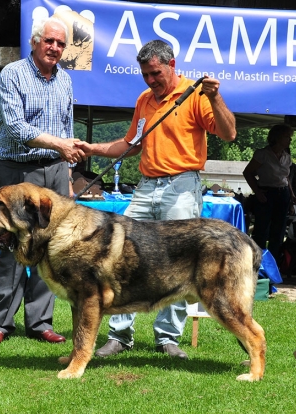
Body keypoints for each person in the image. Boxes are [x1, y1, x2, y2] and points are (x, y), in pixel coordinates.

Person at [79, 40, 237, 359]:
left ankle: (168, 338)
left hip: (181, 186)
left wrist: (216, 97)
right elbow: (131, 144)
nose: (151, 80)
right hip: (146, 186)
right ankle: (120, 335)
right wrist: (91, 148)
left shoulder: (196, 94)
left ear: (171, 64)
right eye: (145, 75)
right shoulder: (144, 100)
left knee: (180, 261)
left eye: (155, 73)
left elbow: (229, 133)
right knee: (121, 256)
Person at [0, 16, 85, 346]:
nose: (54, 48)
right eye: (49, 41)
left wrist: (66, 176)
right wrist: (59, 144)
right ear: (35, 42)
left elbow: (67, 131)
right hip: (17, 171)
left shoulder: (65, 81)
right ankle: (1, 321)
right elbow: (15, 128)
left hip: (54, 170)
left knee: (49, 246)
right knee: (13, 242)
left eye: (60, 44)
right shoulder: (12, 75)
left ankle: (41, 321)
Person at [243, 124, 296, 264]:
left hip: (283, 193)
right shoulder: (262, 154)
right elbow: (247, 172)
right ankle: (257, 263)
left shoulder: (287, 157)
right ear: (277, 137)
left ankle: (273, 264)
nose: (289, 140)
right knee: (262, 229)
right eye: (287, 137)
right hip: (266, 193)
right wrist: (258, 192)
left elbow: (286, 178)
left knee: (279, 231)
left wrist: (291, 195)